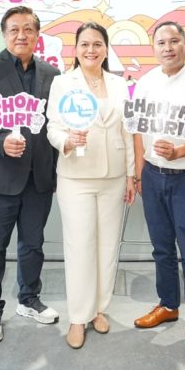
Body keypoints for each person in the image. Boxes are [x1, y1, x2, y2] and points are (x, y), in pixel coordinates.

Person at [0, 6, 60, 343]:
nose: (21, 35)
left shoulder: (52, 73)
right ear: (4, 34)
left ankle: (29, 298)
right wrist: (0, 140)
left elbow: (56, 121)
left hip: (39, 176)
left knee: (33, 244)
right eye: (14, 29)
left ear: (37, 34)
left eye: (28, 29)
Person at [131, 21, 185, 362]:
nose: (167, 48)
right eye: (161, 43)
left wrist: (180, 152)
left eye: (174, 41)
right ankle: (168, 304)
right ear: (153, 48)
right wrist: (139, 170)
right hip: (153, 176)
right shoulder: (145, 82)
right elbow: (137, 129)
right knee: (161, 249)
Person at [45, 22, 135, 349]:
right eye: (84, 44)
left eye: (97, 44)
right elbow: (52, 127)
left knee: (108, 246)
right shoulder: (62, 82)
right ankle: (78, 317)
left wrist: (131, 174)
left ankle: (99, 309)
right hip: (76, 175)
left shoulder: (119, 83)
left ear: (106, 49)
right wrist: (67, 141)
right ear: (76, 49)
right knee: (80, 246)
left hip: (114, 176)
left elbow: (128, 130)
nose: (91, 50)